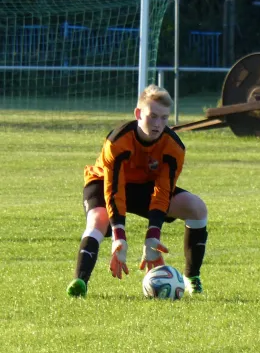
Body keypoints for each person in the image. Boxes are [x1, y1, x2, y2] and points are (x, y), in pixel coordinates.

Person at [66, 84, 208, 298]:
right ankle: (80, 281)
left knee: (196, 207)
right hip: (104, 181)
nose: (158, 124)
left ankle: (192, 277)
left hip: (144, 188)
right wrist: (119, 236)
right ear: (138, 113)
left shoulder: (174, 147)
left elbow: (162, 191)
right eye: (153, 116)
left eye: (164, 118)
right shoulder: (117, 141)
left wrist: (153, 235)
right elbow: (114, 190)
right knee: (98, 218)